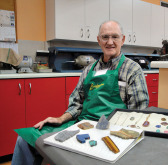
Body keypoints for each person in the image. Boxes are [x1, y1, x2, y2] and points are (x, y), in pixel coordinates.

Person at [11, 20, 149, 165]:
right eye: (105, 37)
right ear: (98, 40)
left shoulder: (132, 70)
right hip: (81, 125)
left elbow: (137, 114)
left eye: (115, 37)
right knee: (25, 140)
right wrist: (60, 118)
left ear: (123, 39)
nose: (110, 42)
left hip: (112, 130)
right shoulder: (88, 70)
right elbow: (76, 103)